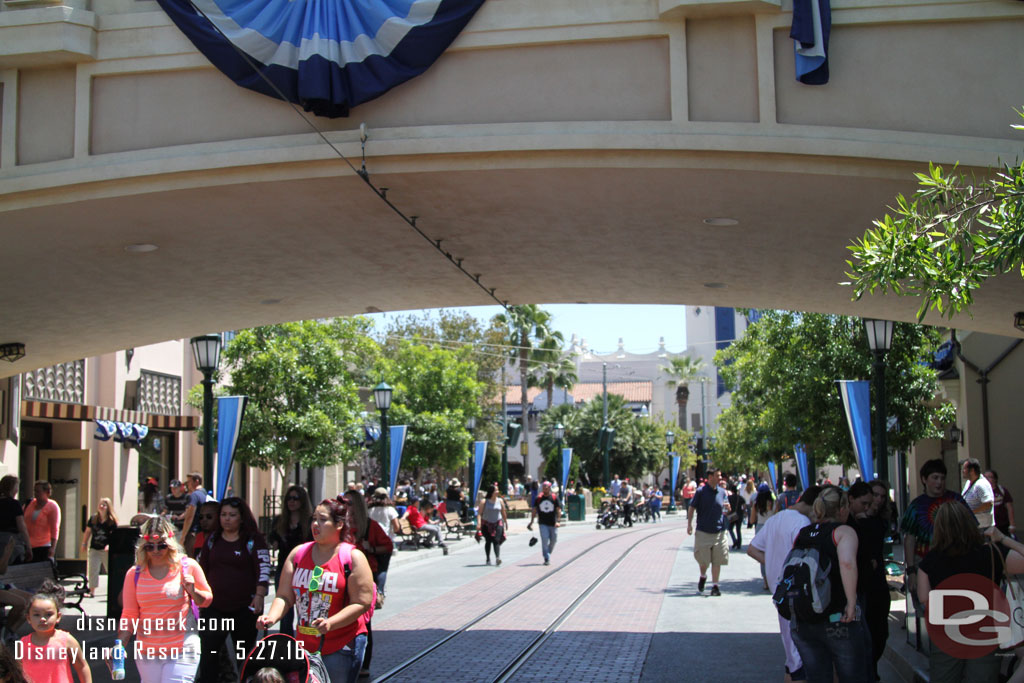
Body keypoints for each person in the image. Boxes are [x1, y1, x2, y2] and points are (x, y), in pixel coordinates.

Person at [257, 496, 374, 683]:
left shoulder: (352, 557)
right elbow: (285, 596)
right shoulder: (298, 554)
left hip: (341, 646)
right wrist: (272, 616)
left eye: (322, 519)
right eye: (313, 519)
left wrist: (331, 623)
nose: (315, 524)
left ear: (339, 525)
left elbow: (362, 602)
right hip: (304, 645)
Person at [917, 502, 1024, 682]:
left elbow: (924, 599)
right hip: (985, 633)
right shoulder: (991, 553)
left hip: (946, 634)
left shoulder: (930, 560)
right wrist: (1004, 538)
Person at [788, 486, 870, 683]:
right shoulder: (843, 532)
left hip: (804, 619)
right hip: (837, 617)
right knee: (853, 676)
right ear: (842, 509)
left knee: (817, 678)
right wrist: (851, 603)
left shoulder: (803, 532)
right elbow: (847, 563)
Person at [117, 516, 212, 682]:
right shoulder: (134, 574)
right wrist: (119, 645)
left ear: (171, 544)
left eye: (161, 545)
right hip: (147, 650)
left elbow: (206, 600)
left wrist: (193, 590)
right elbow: (129, 614)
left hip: (183, 646)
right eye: (149, 546)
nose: (155, 550)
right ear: (142, 546)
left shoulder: (187, 566)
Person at [748, 485, 823, 683]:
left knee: (792, 658)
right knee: (800, 659)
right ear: (816, 504)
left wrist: (775, 564)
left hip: (780, 593)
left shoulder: (776, 519)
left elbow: (753, 549)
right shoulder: (803, 523)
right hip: (798, 596)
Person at [196, 497, 271, 683]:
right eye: (223, 515)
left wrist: (260, 594)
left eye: (232, 515)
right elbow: (200, 568)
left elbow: (263, 568)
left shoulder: (253, 540)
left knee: (244, 657)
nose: (226, 519)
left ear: (242, 518)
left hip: (244, 608)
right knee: (209, 655)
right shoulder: (212, 539)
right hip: (214, 608)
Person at [901, 458, 972, 597]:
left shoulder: (956, 500)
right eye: (935, 477)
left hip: (956, 562)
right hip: (924, 563)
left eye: (942, 478)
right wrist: (911, 571)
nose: (939, 482)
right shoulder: (916, 506)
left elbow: (971, 528)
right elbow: (909, 539)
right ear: (924, 479)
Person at [344, 490, 392, 680]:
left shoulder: (370, 526)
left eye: (348, 503)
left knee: (363, 621)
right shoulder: (340, 527)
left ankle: (363, 663)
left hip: (365, 576)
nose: (345, 507)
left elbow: (387, 546)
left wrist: (371, 548)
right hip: (343, 576)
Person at [847, 481, 888, 682]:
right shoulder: (851, 523)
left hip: (877, 586)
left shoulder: (877, 522)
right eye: (873, 498)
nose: (877, 502)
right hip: (860, 588)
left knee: (879, 634)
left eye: (882, 497)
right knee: (864, 639)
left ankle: (870, 670)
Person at [18, 580, 91, 683]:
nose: (42, 619)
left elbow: (82, 666)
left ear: (58, 617)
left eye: (48, 614)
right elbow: (17, 673)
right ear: (28, 618)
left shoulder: (67, 640)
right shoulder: (23, 644)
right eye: (36, 615)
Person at [268, 485, 313, 638]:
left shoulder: (310, 521)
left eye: (295, 498)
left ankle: (305, 638)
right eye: (289, 498)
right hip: (285, 567)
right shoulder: (280, 521)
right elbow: (272, 539)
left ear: (302, 501)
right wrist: (274, 542)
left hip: (305, 568)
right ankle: (285, 640)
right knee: (284, 606)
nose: (291, 502)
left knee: (305, 608)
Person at [687, 469, 731, 596]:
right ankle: (703, 576)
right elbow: (692, 508)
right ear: (710, 477)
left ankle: (715, 586)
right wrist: (689, 524)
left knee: (717, 560)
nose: (720, 478)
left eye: (720, 475)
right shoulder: (701, 492)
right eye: (718, 475)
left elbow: (725, 508)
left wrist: (728, 508)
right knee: (704, 561)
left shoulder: (722, 492)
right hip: (703, 531)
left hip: (719, 531)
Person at [80, 497, 118, 598]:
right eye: (100, 504)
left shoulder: (112, 520)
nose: (101, 507)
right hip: (94, 548)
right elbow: (88, 531)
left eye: (104, 505)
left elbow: (115, 535)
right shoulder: (93, 519)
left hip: (106, 550)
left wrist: (110, 545)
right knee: (93, 570)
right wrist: (84, 543)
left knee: (110, 570)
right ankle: (91, 592)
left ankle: (113, 591)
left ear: (108, 507)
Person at [367, 488, 400, 602]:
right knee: (382, 569)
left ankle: (373, 590)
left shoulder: (370, 510)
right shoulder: (390, 510)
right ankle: (379, 592)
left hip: (371, 542)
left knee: (372, 568)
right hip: (385, 542)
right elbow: (396, 527)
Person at [23, 481, 60, 563]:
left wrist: (53, 547)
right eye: (34, 491)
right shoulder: (30, 504)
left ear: (47, 492)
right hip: (28, 545)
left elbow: (54, 529)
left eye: (38, 491)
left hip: (43, 545)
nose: (35, 494)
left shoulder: (52, 506)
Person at [0, 475, 33, 565]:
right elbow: (21, 526)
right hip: (11, 541)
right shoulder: (14, 504)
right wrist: (28, 546)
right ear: (12, 488)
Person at [528, 481, 561, 566]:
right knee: (545, 540)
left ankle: (548, 553)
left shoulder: (554, 497)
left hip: (553, 523)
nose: (545, 489)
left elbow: (558, 510)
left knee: (554, 540)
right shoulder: (538, 498)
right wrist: (531, 522)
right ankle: (546, 557)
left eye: (546, 487)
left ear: (549, 488)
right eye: (544, 487)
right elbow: (534, 510)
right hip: (542, 523)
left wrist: (558, 521)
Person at [477, 483, 508, 566]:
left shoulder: (500, 501)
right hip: (486, 524)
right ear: (491, 492)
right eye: (496, 490)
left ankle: (497, 558)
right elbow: (479, 513)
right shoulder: (484, 501)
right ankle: (488, 558)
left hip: (497, 522)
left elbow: (503, 512)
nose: (497, 492)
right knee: (488, 541)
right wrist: (479, 523)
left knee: (496, 540)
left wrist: (506, 521)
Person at [178, 472, 207, 555]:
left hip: (193, 534)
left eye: (189, 482)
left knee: (190, 559)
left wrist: (183, 537)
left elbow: (189, 517)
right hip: (202, 533)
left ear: (196, 481)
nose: (187, 485)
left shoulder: (194, 495)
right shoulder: (204, 493)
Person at [960, 458, 994, 529]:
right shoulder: (968, 483)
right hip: (972, 527)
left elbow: (988, 503)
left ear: (972, 471)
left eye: (964, 469)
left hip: (982, 527)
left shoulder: (981, 484)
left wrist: (971, 512)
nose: (962, 471)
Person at [986, 469, 1016, 537]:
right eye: (985, 477)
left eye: (989, 477)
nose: (987, 479)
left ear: (995, 479)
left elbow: (1009, 508)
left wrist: (1012, 524)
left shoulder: (1002, 490)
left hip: (1002, 524)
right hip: (988, 525)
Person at [726, 483, 745, 550]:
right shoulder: (740, 498)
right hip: (739, 514)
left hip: (732, 515)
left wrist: (727, 513)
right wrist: (743, 512)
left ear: (732, 491)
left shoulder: (729, 498)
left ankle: (734, 541)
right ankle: (739, 543)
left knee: (730, 529)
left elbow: (727, 507)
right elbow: (744, 506)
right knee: (738, 530)